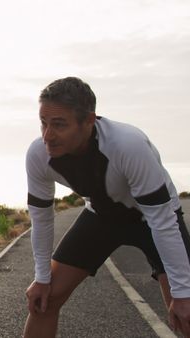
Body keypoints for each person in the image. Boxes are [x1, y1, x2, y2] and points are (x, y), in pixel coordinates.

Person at [23, 76, 190, 337]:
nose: (47, 136)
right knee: (44, 301)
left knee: (186, 310)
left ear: (89, 121)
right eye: (43, 123)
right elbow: (42, 218)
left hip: (151, 219)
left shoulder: (128, 145)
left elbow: (163, 221)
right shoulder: (38, 155)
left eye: (59, 125)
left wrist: (182, 293)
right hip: (101, 217)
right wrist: (42, 278)